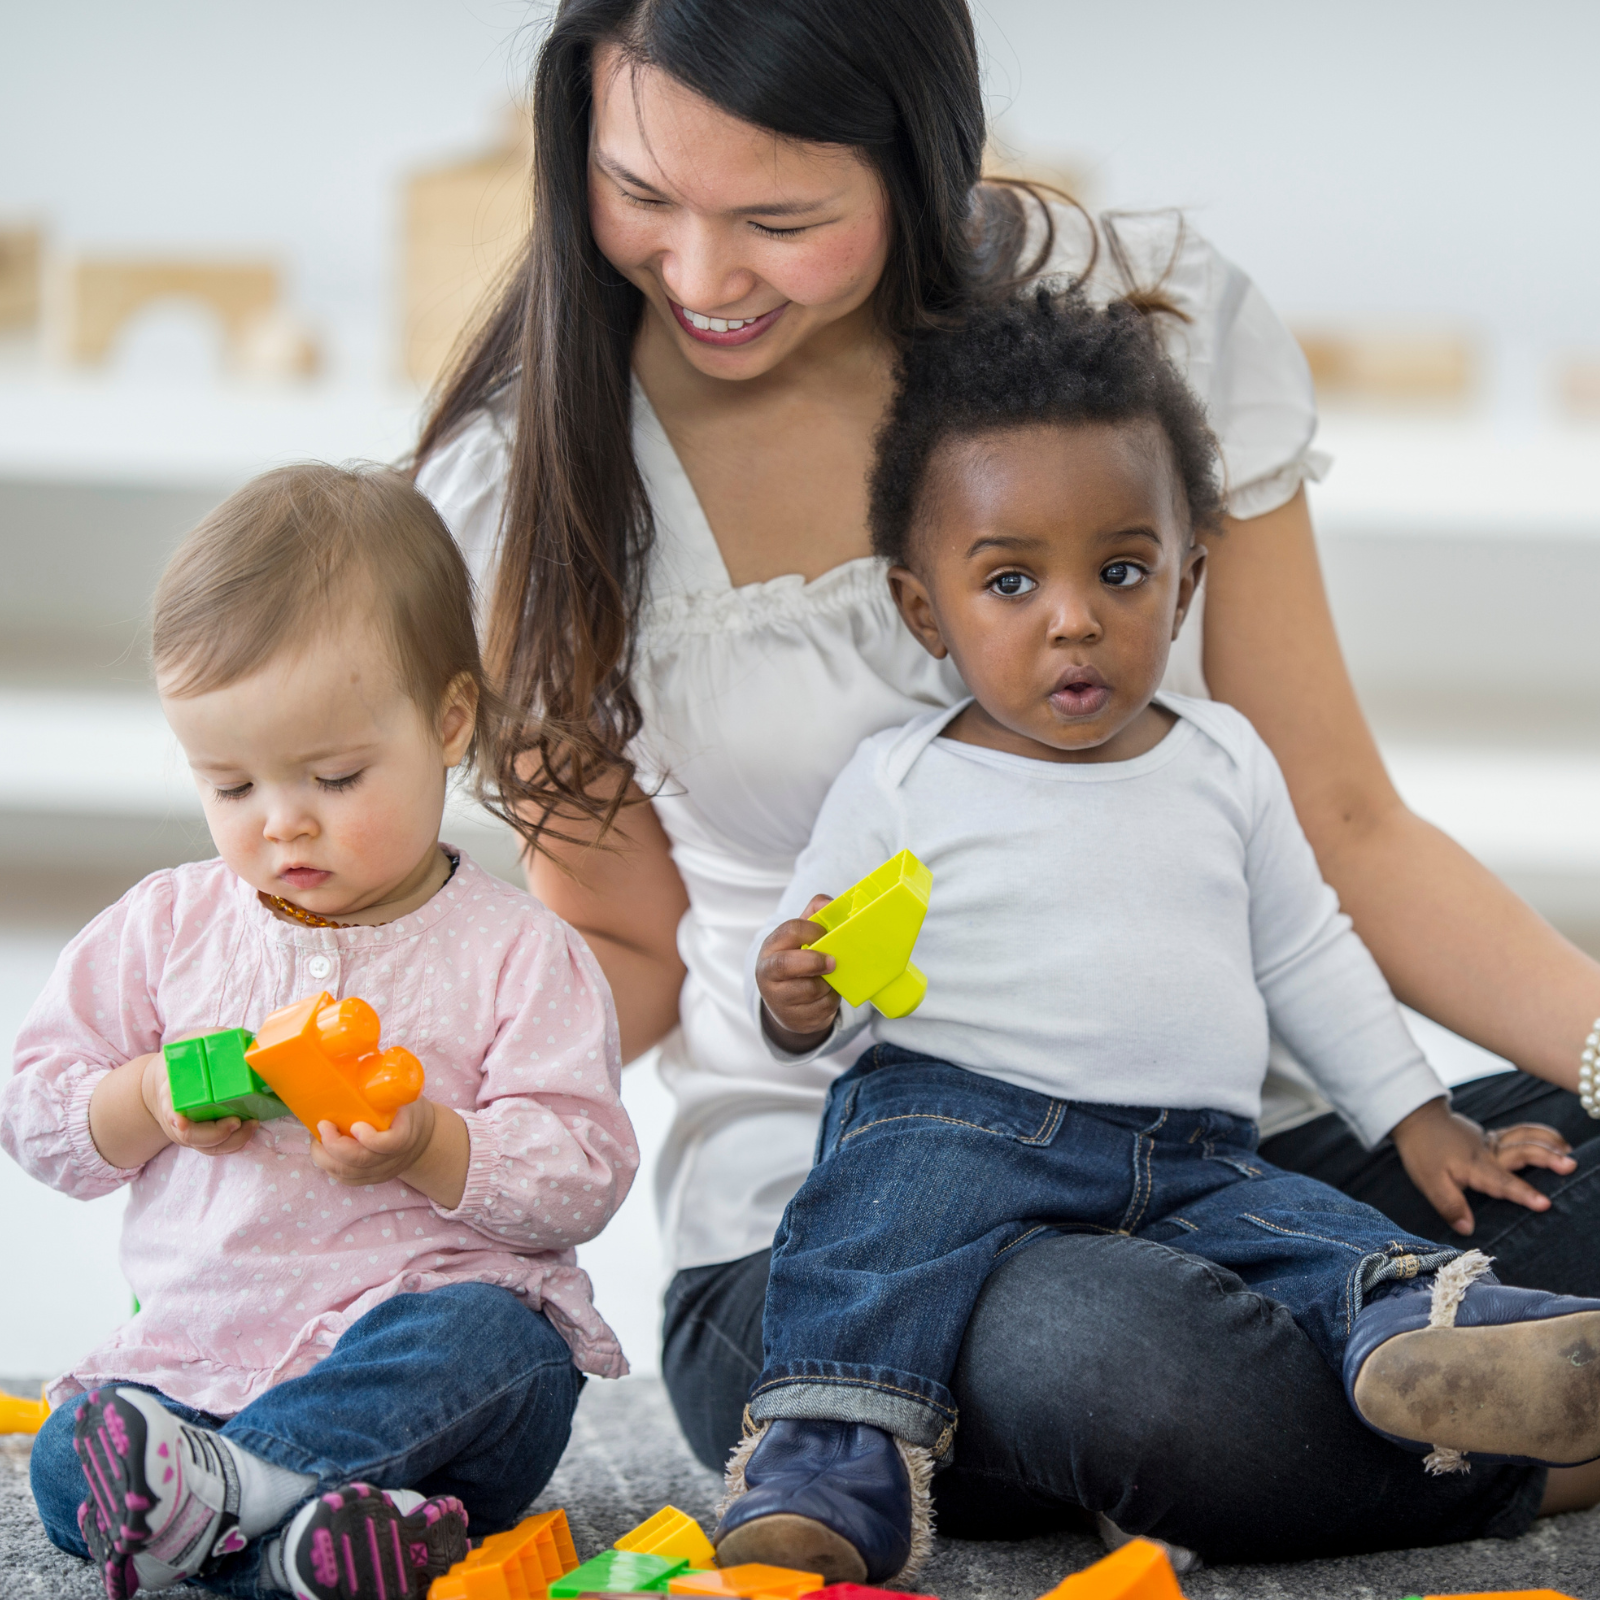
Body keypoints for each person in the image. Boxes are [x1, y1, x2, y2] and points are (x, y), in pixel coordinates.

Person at [413, 0, 1600, 1561]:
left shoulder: (1130, 324)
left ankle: (1413, 1380)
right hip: (857, 1219)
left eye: (779, 218)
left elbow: (1341, 824)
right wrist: (426, 1139)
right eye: (640, 195)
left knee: (1538, 1181)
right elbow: (623, 949)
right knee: (1124, 1359)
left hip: (1223, 1150)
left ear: (920, 155)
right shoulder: (534, 483)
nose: (700, 276)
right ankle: (1511, 1433)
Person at [719, 287, 1600, 1585]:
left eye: (1118, 572)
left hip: (1193, 1153)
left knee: (1306, 1233)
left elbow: (1305, 955)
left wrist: (1421, 1122)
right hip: (963, 1123)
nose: (1072, 618)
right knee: (870, 1223)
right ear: (926, 611)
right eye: (1010, 581)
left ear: (1185, 583)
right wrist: (798, 999)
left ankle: (1435, 1334)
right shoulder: (902, 778)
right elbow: (833, 972)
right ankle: (830, 1447)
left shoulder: (1225, 760)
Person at [2, 465, 636, 1600]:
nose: (283, 820)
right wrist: (142, 1098)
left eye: (335, 775)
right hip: (200, 1363)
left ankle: (230, 1507)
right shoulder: (165, 928)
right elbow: (37, 1113)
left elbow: (584, 1170)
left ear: (449, 721)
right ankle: (299, 1550)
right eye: (231, 783)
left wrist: (429, 1145)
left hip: (412, 1353)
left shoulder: (517, 952)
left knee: (508, 1354)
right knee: (68, 1458)